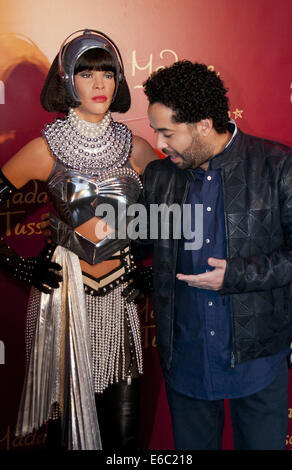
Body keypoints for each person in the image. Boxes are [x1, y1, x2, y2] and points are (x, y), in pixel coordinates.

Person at [0, 29, 157, 450]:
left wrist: (156, 272)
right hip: (64, 301)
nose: (100, 83)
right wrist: (18, 265)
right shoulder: (42, 151)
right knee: (67, 432)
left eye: (108, 73)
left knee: (123, 435)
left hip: (120, 302)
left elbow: (178, 221)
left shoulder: (138, 149)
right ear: (67, 80)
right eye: (87, 73)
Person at [139, 60, 292, 450]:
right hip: (187, 357)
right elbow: (140, 240)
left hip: (257, 357)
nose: (159, 144)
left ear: (204, 126)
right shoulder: (161, 177)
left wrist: (237, 275)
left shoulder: (279, 165)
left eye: (167, 132)